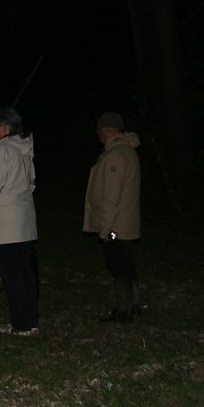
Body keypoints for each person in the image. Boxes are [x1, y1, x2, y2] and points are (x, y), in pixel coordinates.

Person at [0, 107, 40, 336]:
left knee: (13, 276)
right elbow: (31, 183)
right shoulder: (24, 149)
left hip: (5, 224)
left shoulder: (3, 150)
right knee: (24, 273)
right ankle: (30, 321)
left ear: (4, 127)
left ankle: (22, 324)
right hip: (22, 221)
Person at [83, 111, 142, 323]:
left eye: (99, 129)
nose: (98, 133)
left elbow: (111, 197)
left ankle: (124, 310)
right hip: (124, 222)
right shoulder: (126, 151)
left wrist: (106, 229)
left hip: (116, 225)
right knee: (125, 263)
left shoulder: (116, 155)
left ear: (108, 130)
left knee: (118, 264)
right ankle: (133, 304)